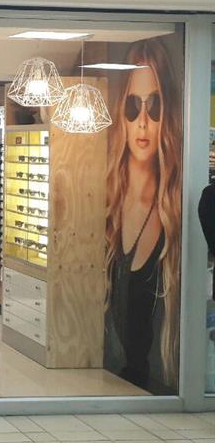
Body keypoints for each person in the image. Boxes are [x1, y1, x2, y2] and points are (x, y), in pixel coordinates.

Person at [104, 38, 182, 395]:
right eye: (133, 106)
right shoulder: (106, 205)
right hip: (107, 378)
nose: (143, 123)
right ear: (120, 111)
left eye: (155, 106)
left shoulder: (174, 211)